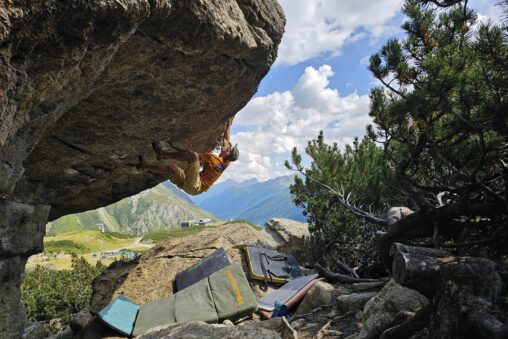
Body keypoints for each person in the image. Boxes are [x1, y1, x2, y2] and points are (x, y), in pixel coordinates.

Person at [142, 118, 239, 195]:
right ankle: (143, 166)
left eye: (229, 149)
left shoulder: (213, 159)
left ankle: (162, 153)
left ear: (227, 153)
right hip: (192, 188)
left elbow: (191, 156)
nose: (228, 146)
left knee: (193, 156)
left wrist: (174, 147)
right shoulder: (226, 162)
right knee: (172, 169)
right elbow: (226, 139)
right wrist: (228, 124)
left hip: (196, 185)